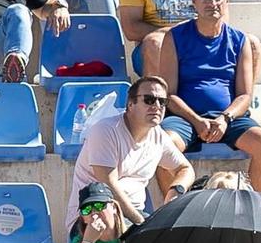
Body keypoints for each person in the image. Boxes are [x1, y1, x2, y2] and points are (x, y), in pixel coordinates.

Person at [147, 0, 261, 193]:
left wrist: (224, 119)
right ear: (193, 0)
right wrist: (196, 121)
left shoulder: (240, 40)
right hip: (185, 118)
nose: (212, 3)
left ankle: (257, 209)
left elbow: (244, 96)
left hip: (228, 118)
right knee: (163, 144)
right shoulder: (174, 37)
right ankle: (173, 215)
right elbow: (170, 94)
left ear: (227, 0)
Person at [66, 75, 193, 229]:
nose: (157, 106)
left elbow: (185, 169)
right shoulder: (105, 130)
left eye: (162, 101)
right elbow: (108, 186)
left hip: (134, 218)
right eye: (149, 99)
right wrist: (141, 223)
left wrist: (175, 192)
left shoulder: (158, 135)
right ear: (131, 103)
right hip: (93, 218)